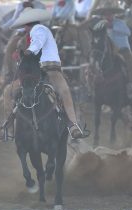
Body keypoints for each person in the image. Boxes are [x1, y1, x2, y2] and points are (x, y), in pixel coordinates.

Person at [10, 8, 87, 139]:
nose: (24, 28)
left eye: (25, 25)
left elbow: (37, 43)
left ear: (28, 23)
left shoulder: (39, 29)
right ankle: (73, 125)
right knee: (65, 91)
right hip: (42, 70)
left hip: (46, 69)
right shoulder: (31, 35)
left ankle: (9, 129)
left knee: (9, 91)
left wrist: (28, 52)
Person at [92, 7, 132, 97]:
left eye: (109, 14)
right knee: (95, 62)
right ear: (103, 16)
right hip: (107, 50)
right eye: (106, 14)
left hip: (122, 48)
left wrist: (112, 27)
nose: (108, 16)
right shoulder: (100, 24)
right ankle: (93, 84)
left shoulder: (120, 23)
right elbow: (95, 34)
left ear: (113, 15)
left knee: (130, 62)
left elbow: (128, 32)